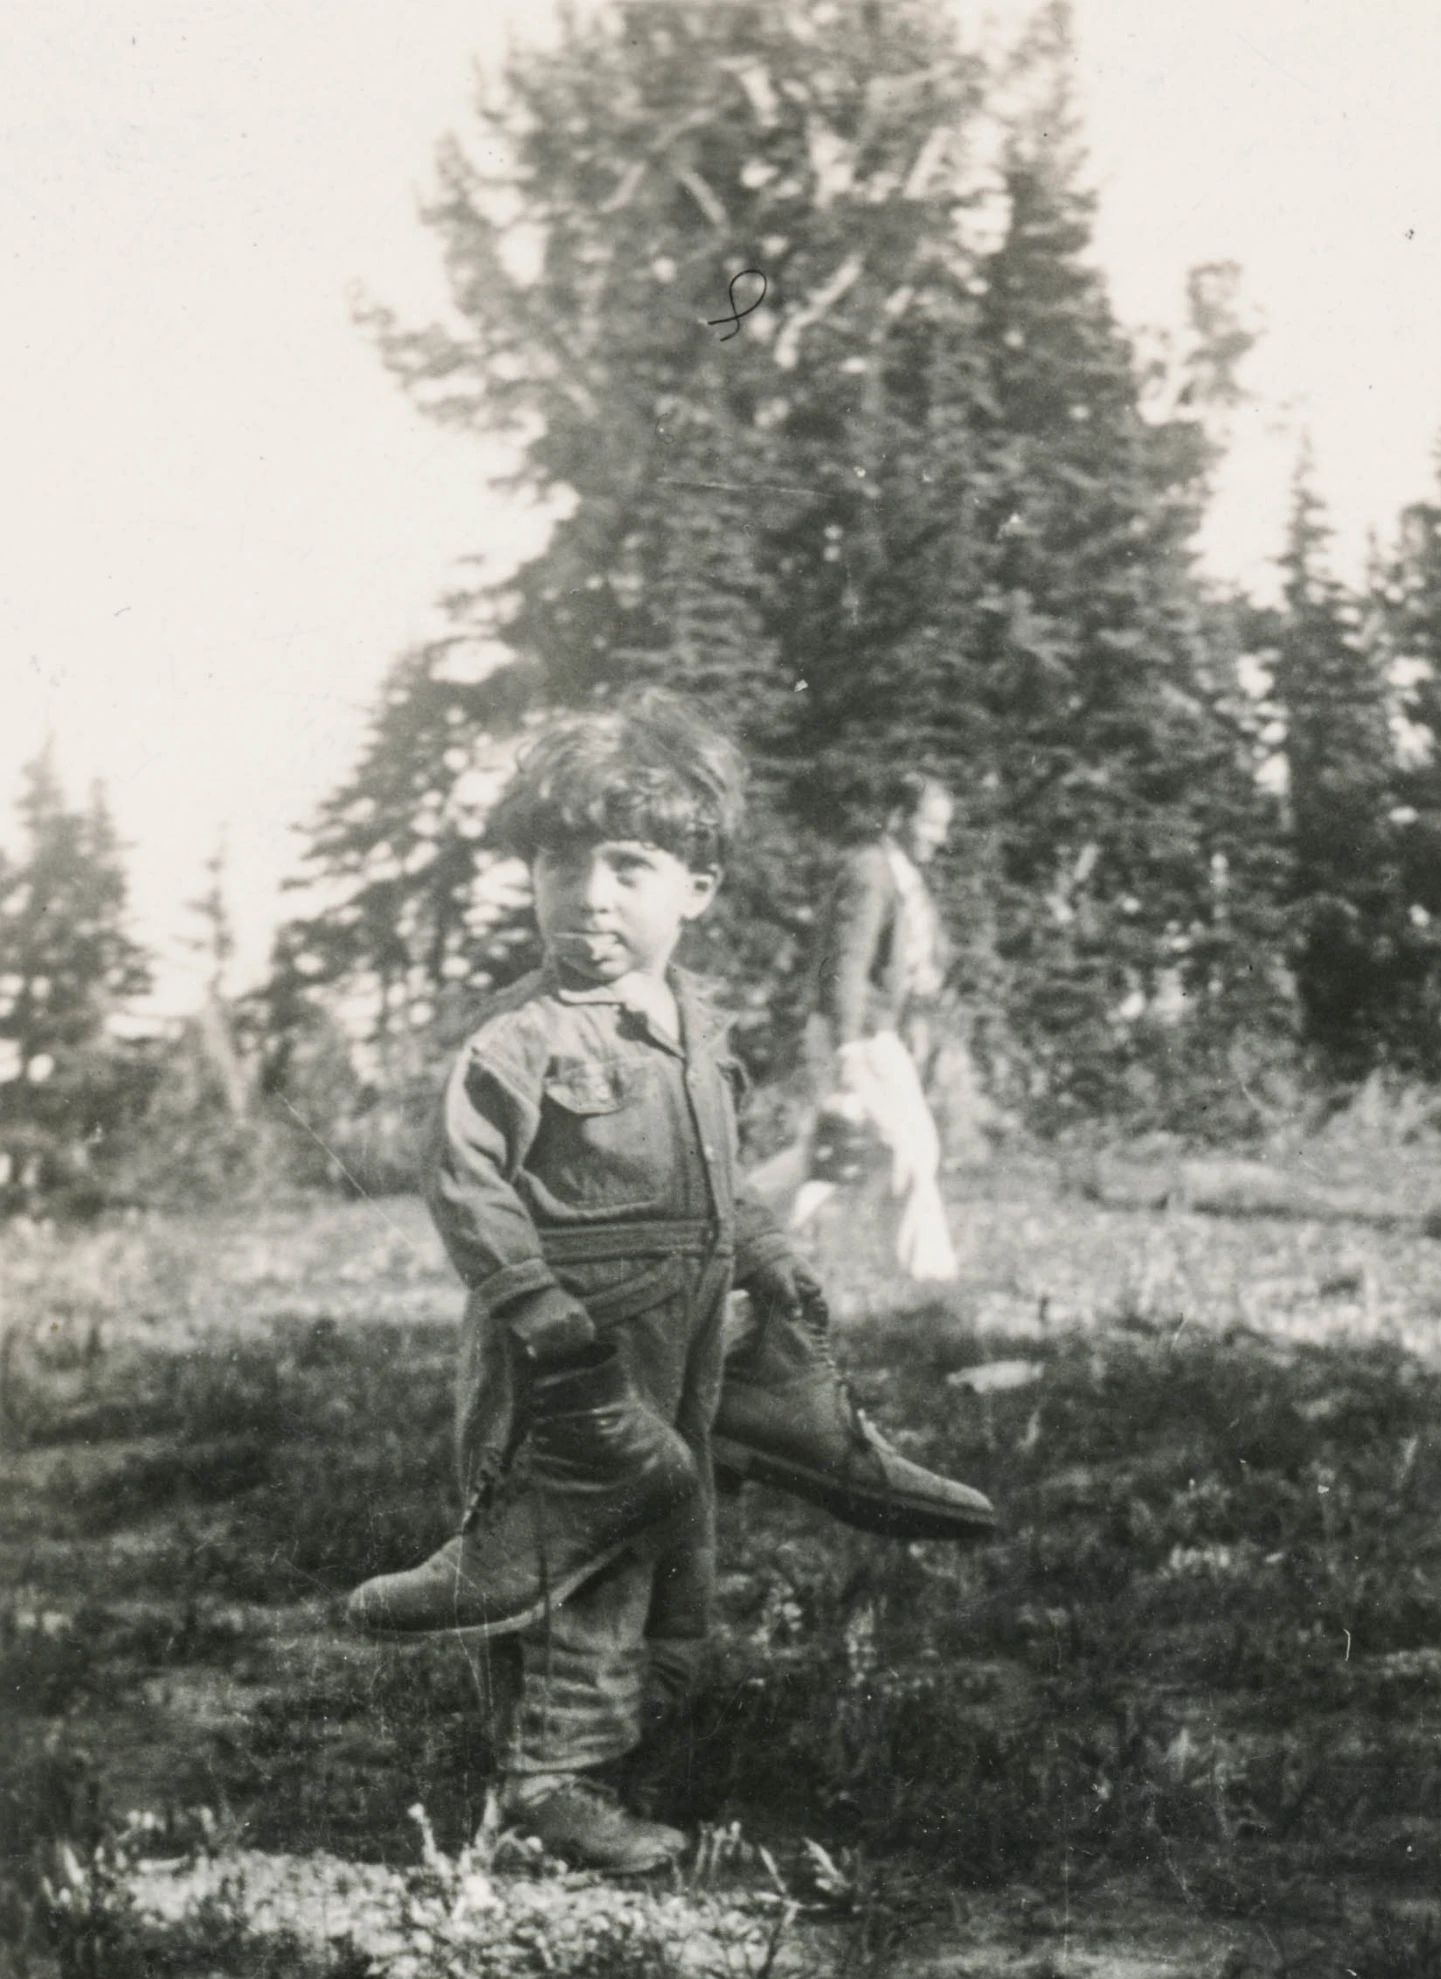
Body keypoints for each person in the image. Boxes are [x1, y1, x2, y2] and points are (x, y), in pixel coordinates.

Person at [340, 693, 991, 1875]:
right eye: (557, 863)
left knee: (674, 1563)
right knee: (578, 1567)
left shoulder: (694, 1023)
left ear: (697, 887)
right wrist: (540, 1313)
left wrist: (771, 1261)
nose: (587, 894)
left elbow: (720, 1177)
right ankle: (549, 1790)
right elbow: (468, 1186)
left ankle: (631, 1748)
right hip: (570, 1361)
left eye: (626, 866)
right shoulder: (518, 1042)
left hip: (684, 1346)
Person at [788, 772, 960, 1281]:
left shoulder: (899, 874)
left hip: (874, 1029)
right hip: (859, 1030)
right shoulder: (872, 872)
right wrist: (846, 1044)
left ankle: (736, 1236)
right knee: (913, 1148)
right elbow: (847, 960)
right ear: (899, 818)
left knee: (828, 1152)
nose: (939, 837)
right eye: (931, 823)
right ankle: (926, 1275)